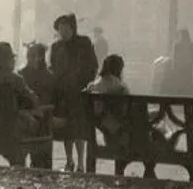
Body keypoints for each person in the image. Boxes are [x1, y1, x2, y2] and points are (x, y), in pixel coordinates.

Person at [0, 42, 51, 166]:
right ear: (5, 60)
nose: (13, 61)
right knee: (42, 122)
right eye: (11, 58)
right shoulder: (15, 79)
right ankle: (39, 167)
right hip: (10, 128)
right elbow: (33, 101)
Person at [50, 13, 99, 172]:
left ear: (73, 28)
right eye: (60, 29)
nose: (63, 32)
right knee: (66, 130)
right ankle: (69, 160)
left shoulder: (84, 43)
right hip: (62, 93)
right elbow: (53, 67)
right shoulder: (56, 47)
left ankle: (81, 163)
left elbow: (92, 65)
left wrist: (86, 82)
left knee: (79, 129)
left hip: (79, 92)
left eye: (65, 28)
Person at [86, 54, 131, 149]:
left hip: (101, 123)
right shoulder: (120, 87)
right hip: (118, 123)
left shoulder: (94, 85)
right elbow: (125, 109)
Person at [165, 28, 193, 96]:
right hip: (186, 71)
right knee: (187, 89)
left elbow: (173, 59)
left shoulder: (177, 46)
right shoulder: (192, 46)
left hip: (180, 71)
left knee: (181, 90)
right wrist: (190, 63)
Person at [20, 43, 57, 107]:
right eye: (28, 55)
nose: (29, 58)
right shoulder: (21, 74)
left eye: (33, 55)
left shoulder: (49, 76)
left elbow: (49, 99)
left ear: (41, 57)